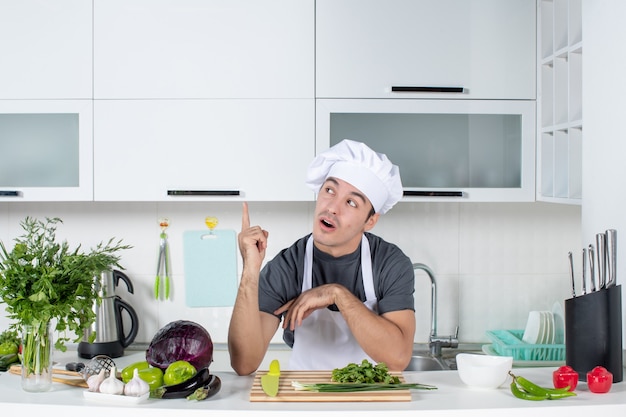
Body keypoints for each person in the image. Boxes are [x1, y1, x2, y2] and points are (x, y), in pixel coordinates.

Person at [228, 139, 415, 375]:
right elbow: (244, 363)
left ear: (370, 221)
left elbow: (398, 358)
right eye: (329, 190)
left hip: (369, 400)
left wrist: (336, 294)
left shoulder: (389, 263)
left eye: (351, 202)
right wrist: (250, 270)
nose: (332, 207)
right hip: (305, 400)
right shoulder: (289, 265)